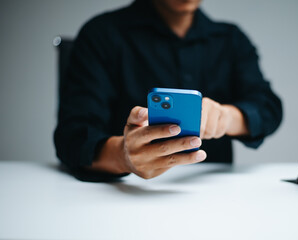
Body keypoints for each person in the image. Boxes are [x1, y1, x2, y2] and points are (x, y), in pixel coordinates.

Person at [54, 0, 282, 181]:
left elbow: (268, 107)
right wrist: (124, 156)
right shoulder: (101, 34)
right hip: (123, 194)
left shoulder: (231, 39)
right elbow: (72, 136)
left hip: (211, 197)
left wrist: (226, 117)